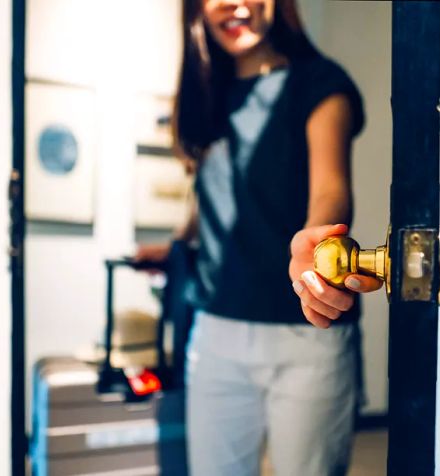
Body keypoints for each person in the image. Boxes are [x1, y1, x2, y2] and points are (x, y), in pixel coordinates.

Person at [136, 0, 381, 474]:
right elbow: (213, 192)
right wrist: (175, 246)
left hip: (307, 332)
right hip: (216, 333)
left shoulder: (320, 83)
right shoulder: (209, 91)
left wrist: (315, 246)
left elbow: (330, 188)